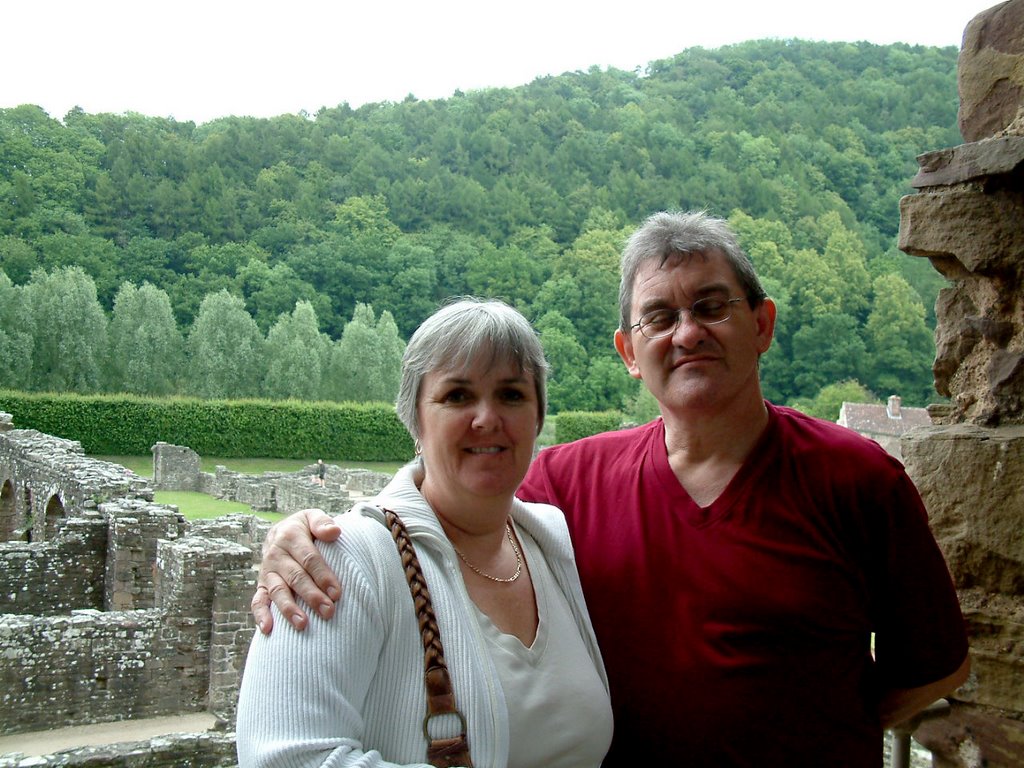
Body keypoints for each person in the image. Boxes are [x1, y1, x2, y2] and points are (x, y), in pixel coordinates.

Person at [252, 211, 969, 767]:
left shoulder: (857, 479)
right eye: (659, 317)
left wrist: (814, 725)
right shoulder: (567, 484)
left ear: (762, 323)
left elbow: (935, 666)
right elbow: (455, 491)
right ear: (629, 352)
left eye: (711, 307)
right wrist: (312, 534)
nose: (686, 333)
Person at [236, 299, 612, 768]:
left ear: (537, 418)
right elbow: (280, 758)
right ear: (415, 419)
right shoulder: (344, 558)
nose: (486, 418)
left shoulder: (550, 539)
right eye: (457, 395)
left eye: (512, 394)